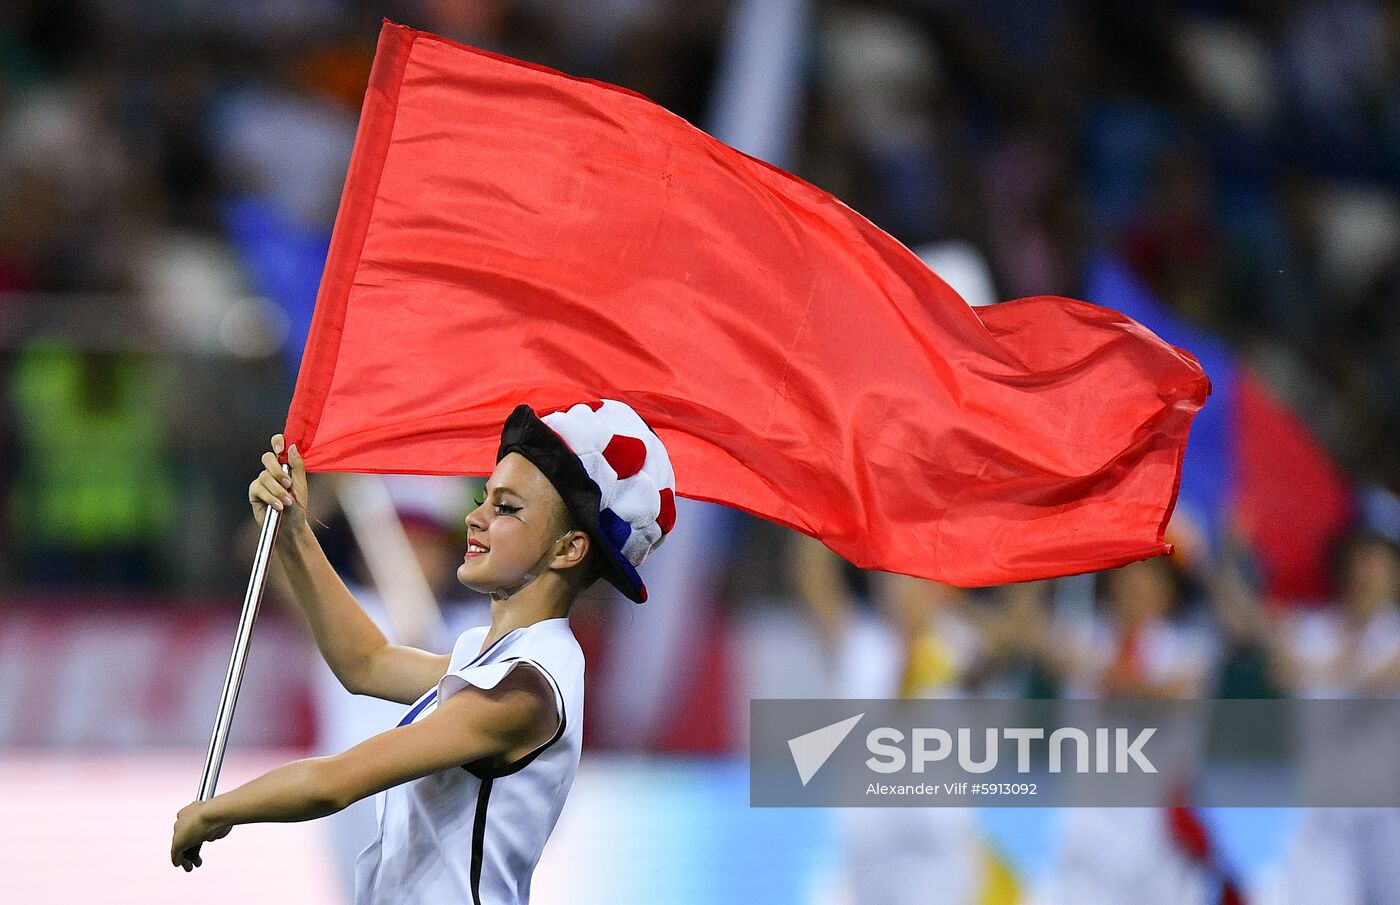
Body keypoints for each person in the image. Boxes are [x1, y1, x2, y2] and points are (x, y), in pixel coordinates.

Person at [170, 398, 678, 905]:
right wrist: (294, 532)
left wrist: (215, 811)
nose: (474, 519)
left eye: (506, 508)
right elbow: (365, 663)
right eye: (483, 498)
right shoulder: (502, 661)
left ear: (570, 549)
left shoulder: (522, 692)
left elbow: (333, 783)